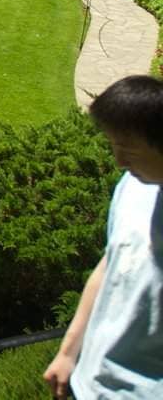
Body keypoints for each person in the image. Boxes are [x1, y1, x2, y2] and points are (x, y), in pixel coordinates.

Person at [44, 75, 163, 399]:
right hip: (89, 384)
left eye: (129, 150)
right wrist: (68, 353)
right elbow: (111, 262)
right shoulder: (132, 186)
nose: (119, 162)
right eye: (114, 147)